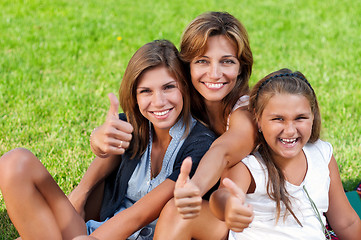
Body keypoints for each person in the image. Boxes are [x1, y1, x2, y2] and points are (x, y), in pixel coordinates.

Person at [0, 40, 216, 239]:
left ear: (185, 88)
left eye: (169, 87)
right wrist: (96, 141)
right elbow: (104, 145)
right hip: (98, 231)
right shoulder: (134, 126)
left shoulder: (199, 144)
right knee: (14, 162)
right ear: (134, 96)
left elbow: (139, 215)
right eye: (145, 91)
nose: (158, 101)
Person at [89, 11, 257, 239]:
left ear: (241, 67)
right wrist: (97, 141)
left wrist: (193, 188)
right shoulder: (189, 99)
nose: (215, 74)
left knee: (177, 210)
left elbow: (222, 152)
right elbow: (134, 127)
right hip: (207, 209)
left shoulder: (243, 112)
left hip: (239, 216)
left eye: (227, 61)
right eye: (202, 61)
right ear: (186, 67)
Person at [209, 68, 361, 239]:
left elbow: (346, 222)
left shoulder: (321, 154)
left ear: (313, 116)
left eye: (300, 118)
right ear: (258, 120)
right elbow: (221, 197)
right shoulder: (249, 165)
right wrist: (229, 206)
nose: (290, 130)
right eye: (278, 119)